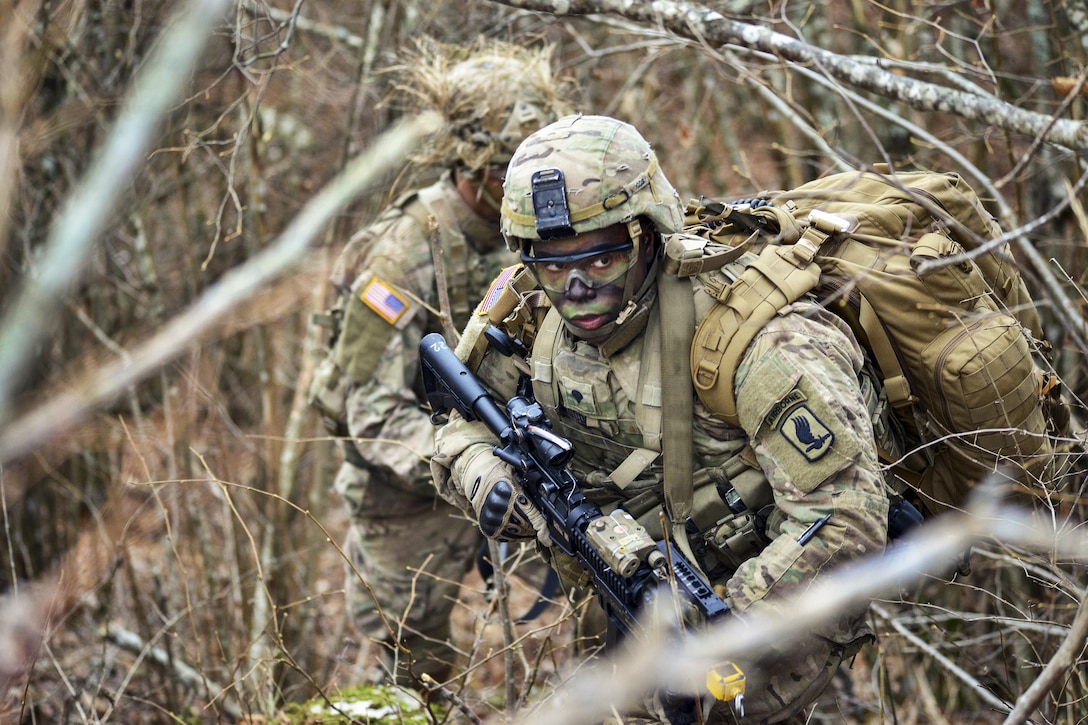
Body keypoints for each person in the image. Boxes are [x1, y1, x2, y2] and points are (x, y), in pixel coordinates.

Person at [428, 114, 890, 723]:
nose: (575, 290)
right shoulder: (527, 308)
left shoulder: (758, 341)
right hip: (616, 617)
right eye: (553, 266)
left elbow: (846, 525)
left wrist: (719, 627)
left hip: (758, 630)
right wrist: (482, 472)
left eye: (599, 262)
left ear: (649, 235)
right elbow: (458, 420)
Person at [308, 39, 575, 687]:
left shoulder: (541, 232)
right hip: (409, 500)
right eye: (508, 166)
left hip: (523, 469)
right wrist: (463, 463)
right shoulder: (403, 255)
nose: (524, 184)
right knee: (416, 668)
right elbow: (362, 405)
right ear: (473, 161)